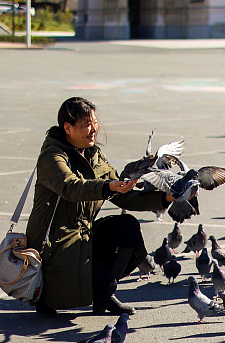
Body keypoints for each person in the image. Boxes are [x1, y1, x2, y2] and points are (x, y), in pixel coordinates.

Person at [25, 97, 173, 317]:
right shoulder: (52, 156)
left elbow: (125, 196)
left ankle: (103, 296)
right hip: (56, 246)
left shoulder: (94, 154)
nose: (94, 129)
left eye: (94, 122)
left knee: (126, 227)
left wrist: (166, 198)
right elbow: (71, 187)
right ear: (68, 128)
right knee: (102, 283)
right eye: (86, 124)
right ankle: (46, 295)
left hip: (84, 237)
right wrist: (108, 186)